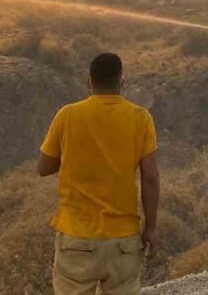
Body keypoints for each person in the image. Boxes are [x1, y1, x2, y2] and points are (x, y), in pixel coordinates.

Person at [37, 53, 159, 295]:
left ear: (89, 82)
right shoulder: (141, 118)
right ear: (122, 82)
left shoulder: (67, 115)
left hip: (76, 238)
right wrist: (151, 228)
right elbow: (150, 177)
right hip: (123, 239)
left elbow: (43, 168)